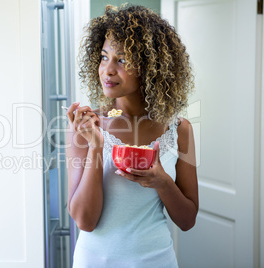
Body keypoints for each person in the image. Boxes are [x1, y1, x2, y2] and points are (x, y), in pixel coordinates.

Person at [65, 4, 198, 268]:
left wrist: (162, 182)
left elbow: (187, 220)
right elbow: (84, 221)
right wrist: (96, 147)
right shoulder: (87, 126)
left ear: (151, 67)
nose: (108, 70)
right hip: (94, 261)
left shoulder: (180, 130)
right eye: (104, 57)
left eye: (122, 60)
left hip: (156, 260)